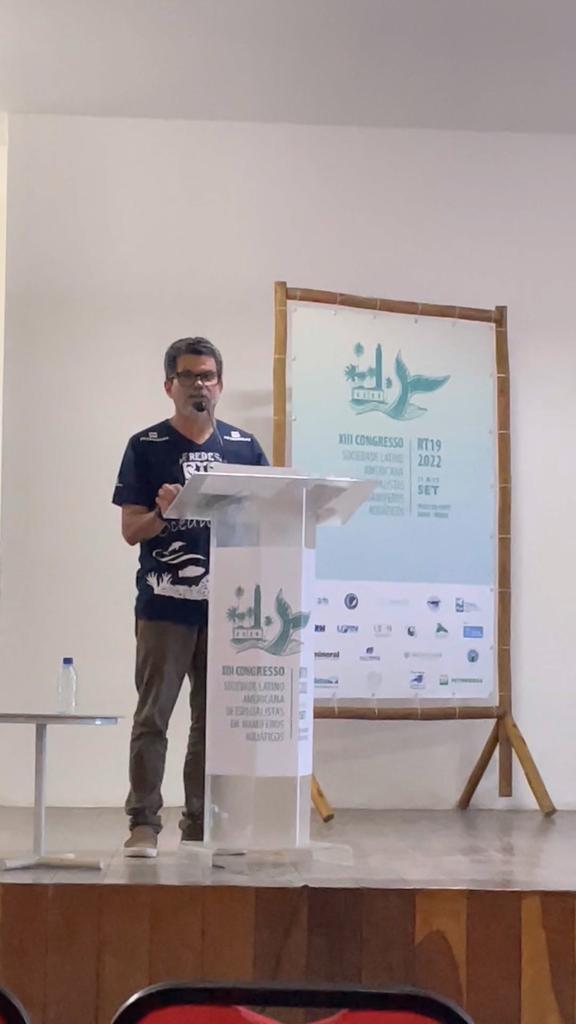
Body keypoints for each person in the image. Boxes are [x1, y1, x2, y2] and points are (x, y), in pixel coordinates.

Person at [113, 336, 268, 857]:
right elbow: (131, 531)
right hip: (165, 606)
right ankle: (143, 823)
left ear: (220, 384)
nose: (199, 385)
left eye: (207, 376)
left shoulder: (244, 448)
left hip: (228, 608)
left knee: (212, 720)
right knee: (153, 715)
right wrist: (165, 513)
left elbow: (267, 516)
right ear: (169, 386)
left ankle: (200, 824)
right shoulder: (146, 446)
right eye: (188, 377)